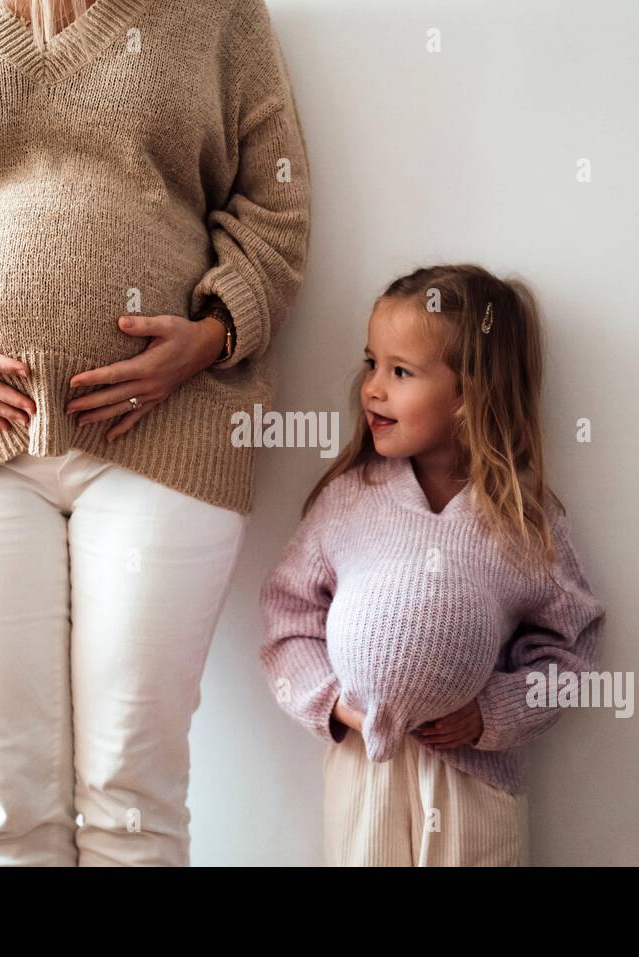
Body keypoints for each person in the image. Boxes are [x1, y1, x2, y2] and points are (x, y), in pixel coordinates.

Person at [0, 0, 311, 865]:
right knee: (12, 812)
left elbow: (276, 199)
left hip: (169, 436)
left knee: (133, 802)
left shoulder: (218, 12)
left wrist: (211, 332)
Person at [259, 264, 607, 866]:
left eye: (401, 372)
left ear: (469, 393)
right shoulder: (351, 499)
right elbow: (287, 618)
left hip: (472, 779)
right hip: (366, 768)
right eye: (371, 363)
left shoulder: (521, 521)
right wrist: (333, 702)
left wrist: (491, 714)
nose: (372, 388)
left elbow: (569, 651)